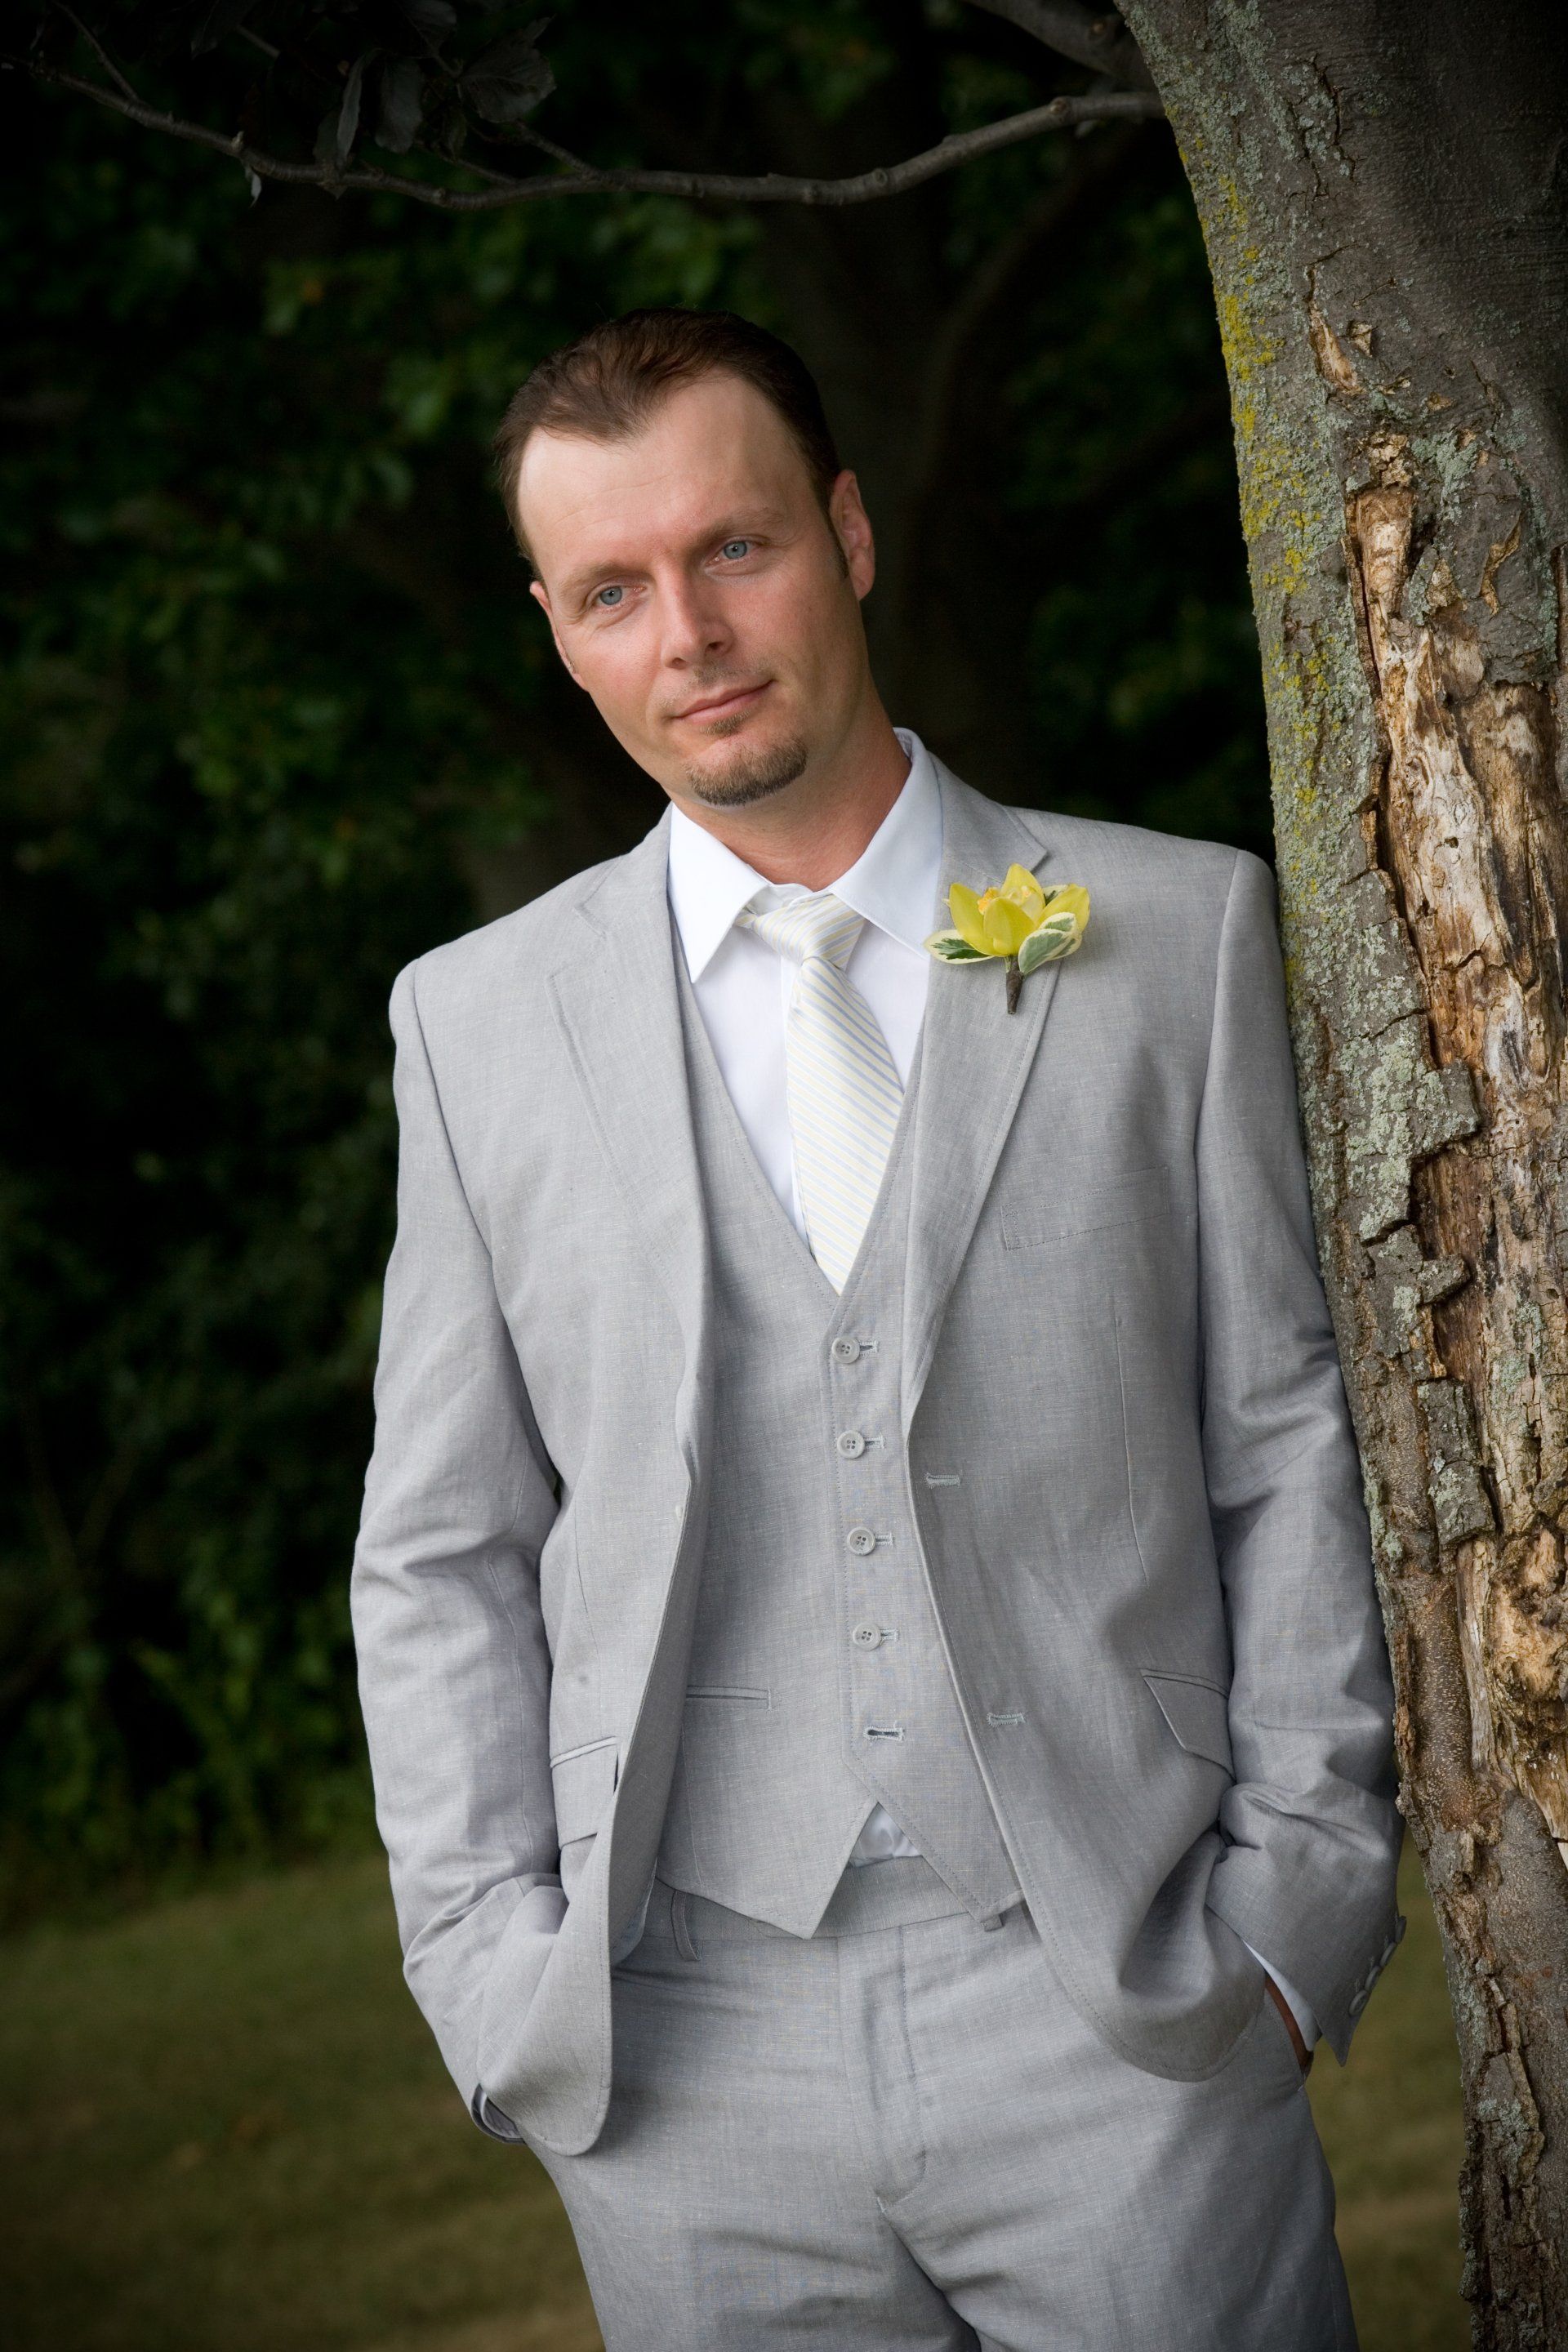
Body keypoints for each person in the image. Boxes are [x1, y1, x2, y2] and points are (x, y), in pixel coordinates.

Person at [351, 307, 1401, 2349]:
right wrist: (491, 1975)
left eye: (733, 549)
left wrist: (1292, 1906)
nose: (689, 635)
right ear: (559, 633)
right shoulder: (475, 1027)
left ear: (843, 533)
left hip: (1123, 2006)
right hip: (681, 2058)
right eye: (612, 591)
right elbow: (442, 1546)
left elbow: (1279, 1441)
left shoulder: (1170, 934)